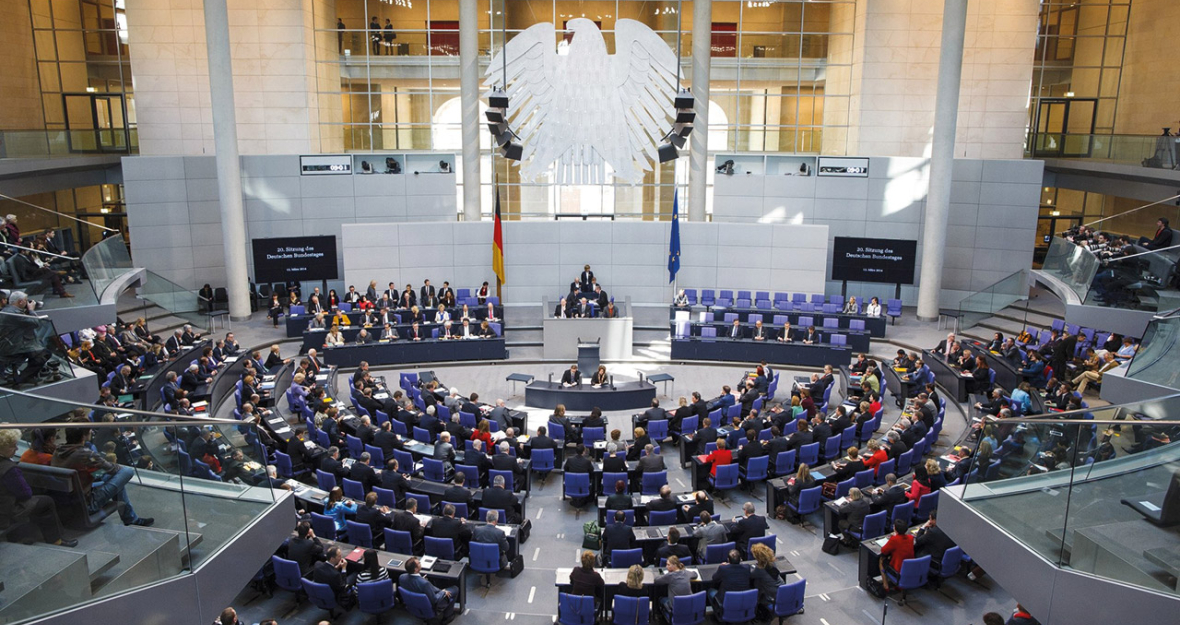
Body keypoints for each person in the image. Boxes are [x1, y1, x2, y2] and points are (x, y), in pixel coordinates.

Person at [52, 423, 153, 526]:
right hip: (86, 504)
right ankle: (131, 519)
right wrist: (115, 468)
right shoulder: (85, 454)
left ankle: (131, 519)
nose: (91, 432)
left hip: (67, 501)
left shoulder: (58, 450)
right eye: (89, 431)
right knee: (126, 471)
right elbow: (112, 469)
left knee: (112, 478)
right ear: (83, 436)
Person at [0, 429, 77, 547]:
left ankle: (22, 535)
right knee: (46, 501)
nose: (16, 449)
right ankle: (56, 539)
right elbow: (25, 494)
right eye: (12, 446)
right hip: (6, 514)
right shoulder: (9, 469)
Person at [878, 519, 915, 600]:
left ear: (895, 529)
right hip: (909, 567)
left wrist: (894, 536)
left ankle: (885, 585)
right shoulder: (910, 538)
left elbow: (883, 550)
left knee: (881, 559)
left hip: (897, 569)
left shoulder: (894, 539)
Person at [749, 543, 780, 612]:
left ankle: (756, 606)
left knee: (756, 583)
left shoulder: (760, 569)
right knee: (759, 581)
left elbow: (751, 574)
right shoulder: (772, 563)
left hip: (771, 597)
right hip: (780, 591)